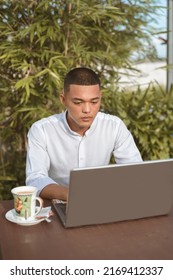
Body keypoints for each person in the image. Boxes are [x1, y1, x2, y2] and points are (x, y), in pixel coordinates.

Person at [26, 67, 142, 201]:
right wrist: (72, 196)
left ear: (100, 98)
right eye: (78, 102)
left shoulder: (114, 126)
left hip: (102, 201)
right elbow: (35, 180)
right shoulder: (41, 130)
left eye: (94, 102)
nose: (87, 110)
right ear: (63, 99)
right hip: (59, 204)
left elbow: (135, 172)